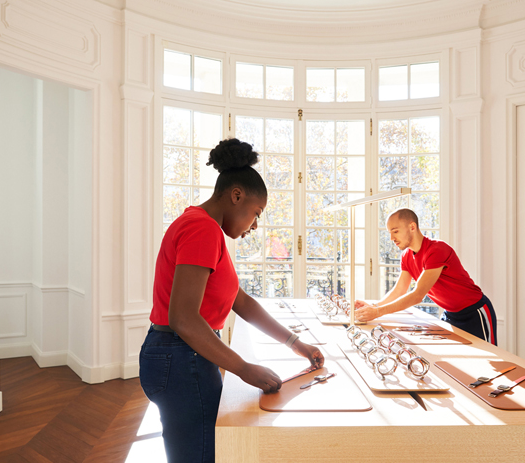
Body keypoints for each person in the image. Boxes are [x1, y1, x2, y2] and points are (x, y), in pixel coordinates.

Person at [140, 138, 324, 463]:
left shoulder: (203, 227)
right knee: (201, 456)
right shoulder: (202, 229)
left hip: (180, 356)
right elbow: (183, 318)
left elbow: (241, 300)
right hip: (182, 358)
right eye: (256, 213)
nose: (255, 225)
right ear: (236, 195)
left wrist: (295, 343)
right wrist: (243, 368)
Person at [354, 208, 497, 345]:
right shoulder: (406, 256)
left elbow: (417, 295)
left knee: (494, 360)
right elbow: (399, 290)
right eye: (390, 233)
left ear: (412, 227)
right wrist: (373, 307)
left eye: (395, 231)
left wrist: (377, 312)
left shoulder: (437, 249)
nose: (392, 238)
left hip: (475, 312)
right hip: (450, 314)